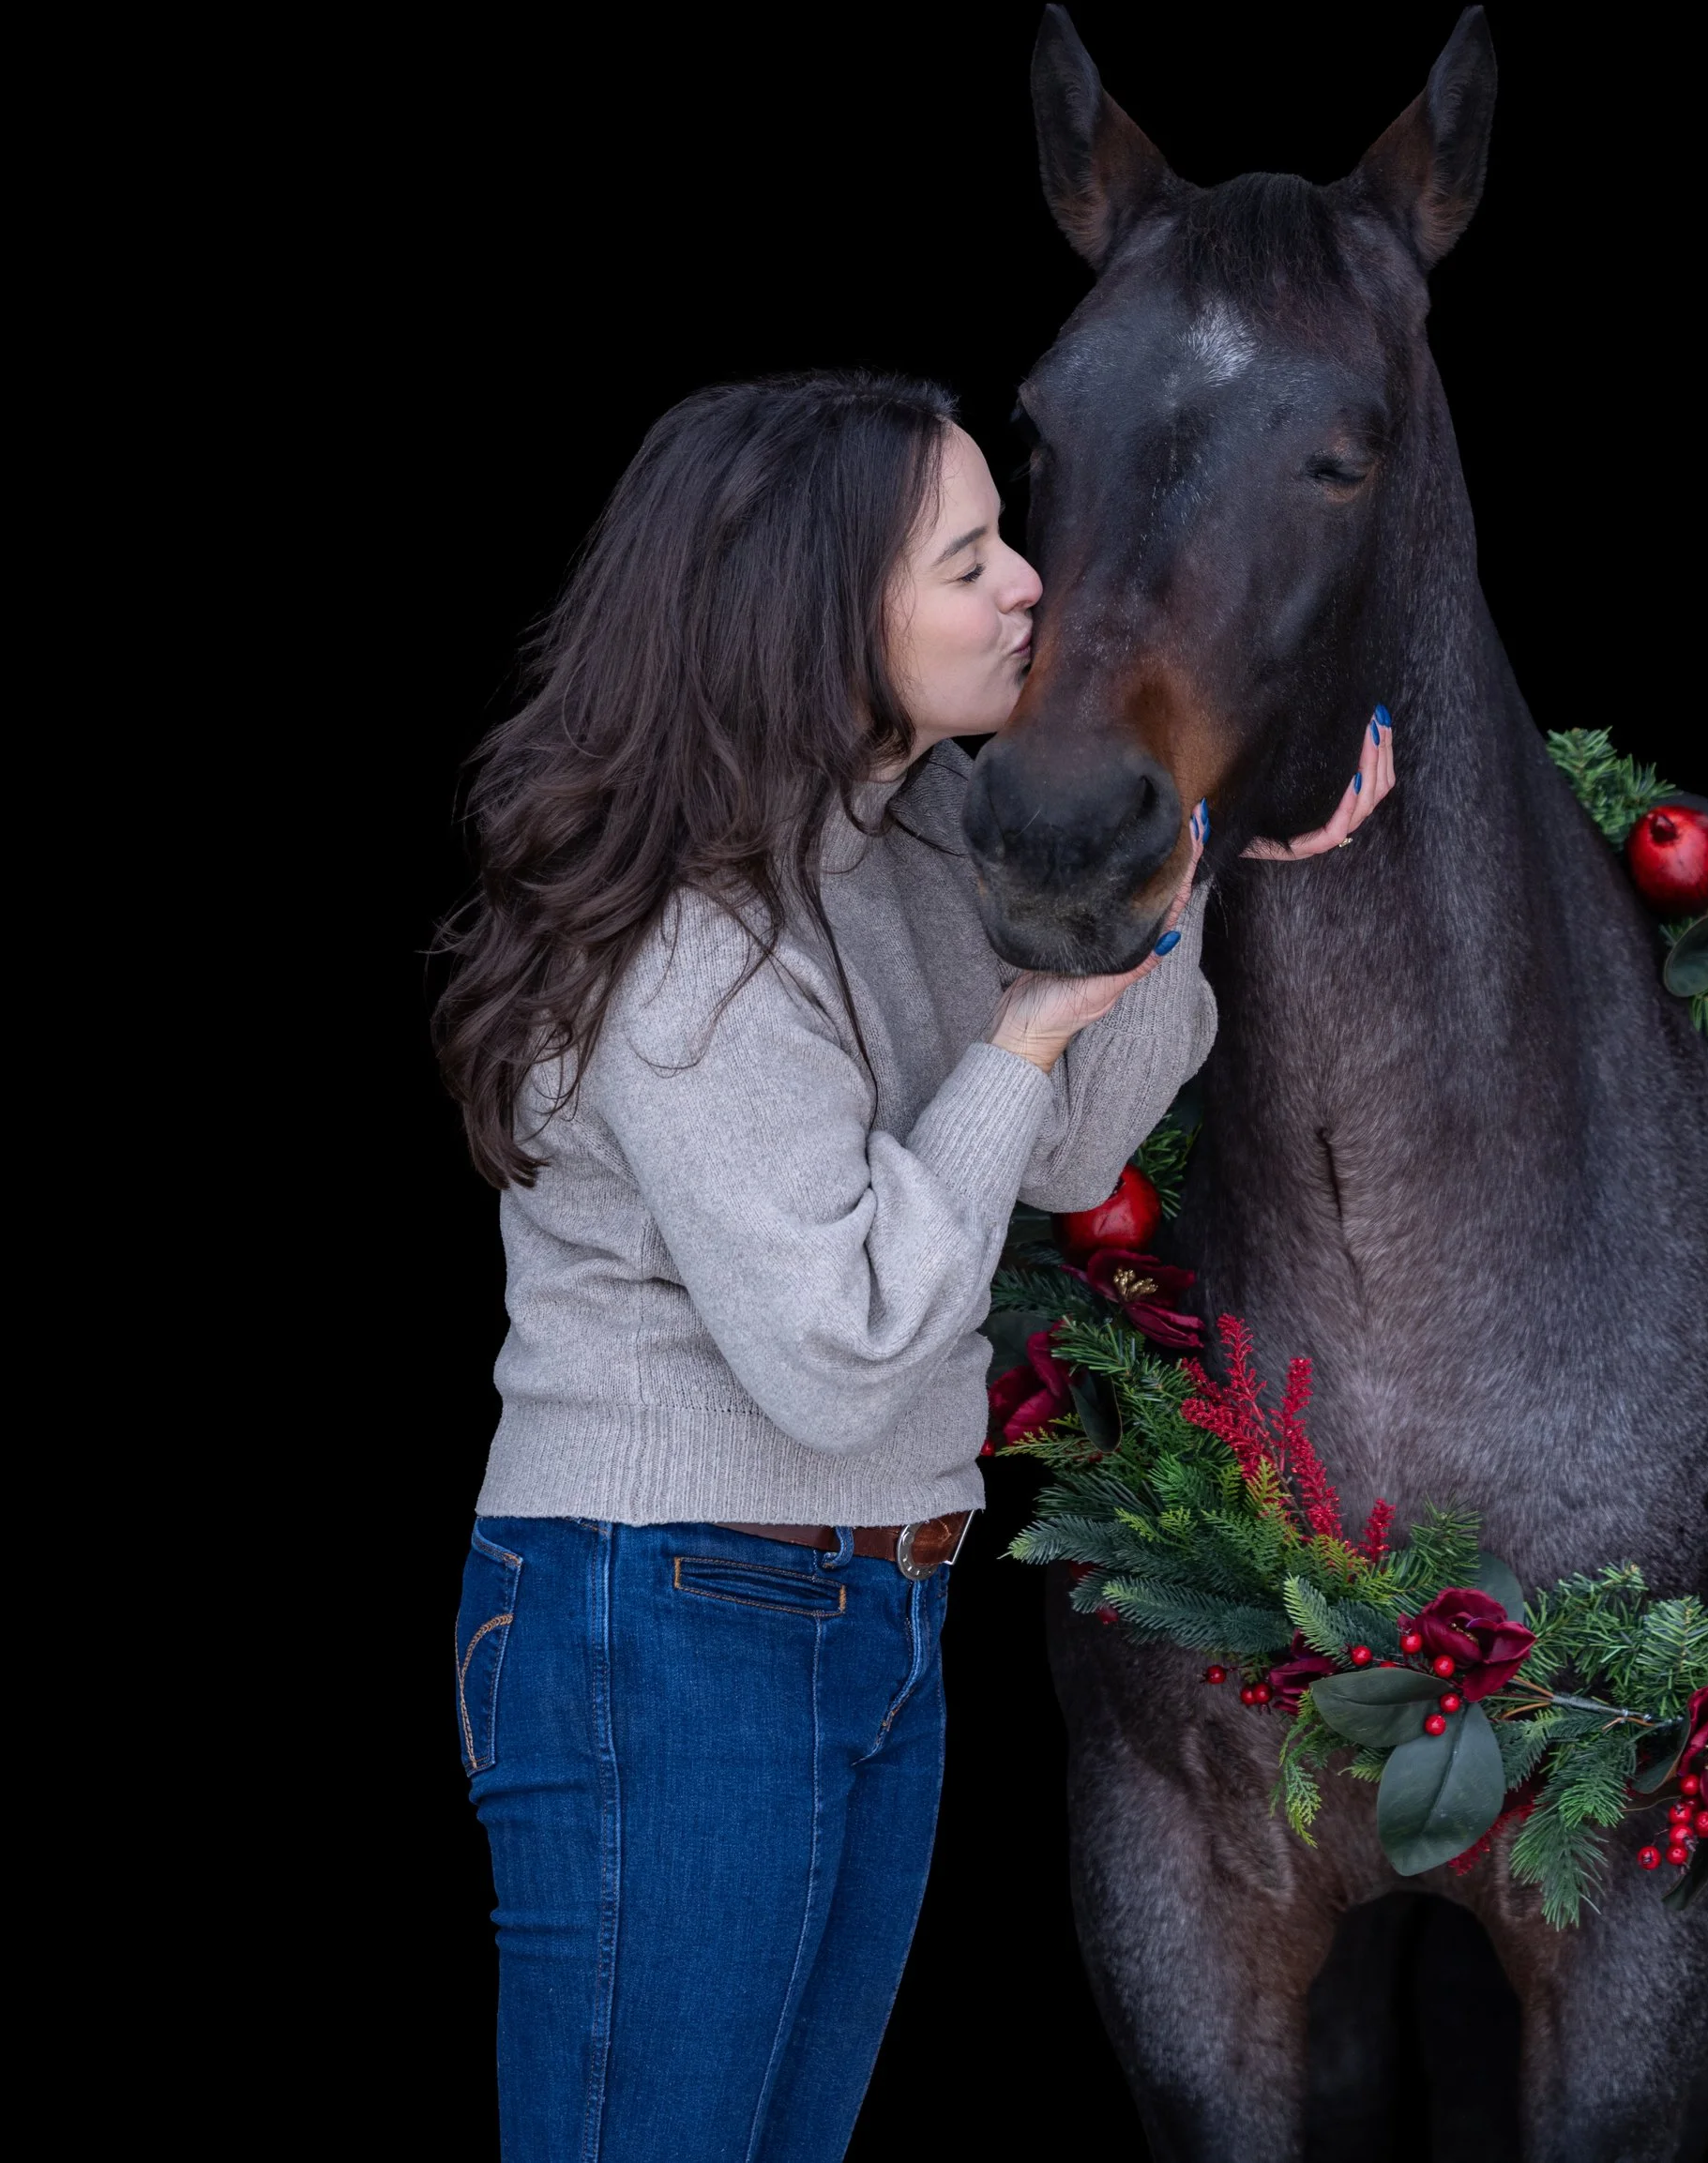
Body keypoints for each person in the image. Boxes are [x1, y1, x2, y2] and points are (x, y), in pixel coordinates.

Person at [433, 371, 1393, 2160]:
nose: (1036, 584)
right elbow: (850, 1339)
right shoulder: (687, 937)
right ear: (820, 619)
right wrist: (1021, 1034)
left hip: (870, 1603)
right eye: (973, 561)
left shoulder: (920, 838)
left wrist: (1189, 872)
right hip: (667, 1615)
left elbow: (1079, 1145)